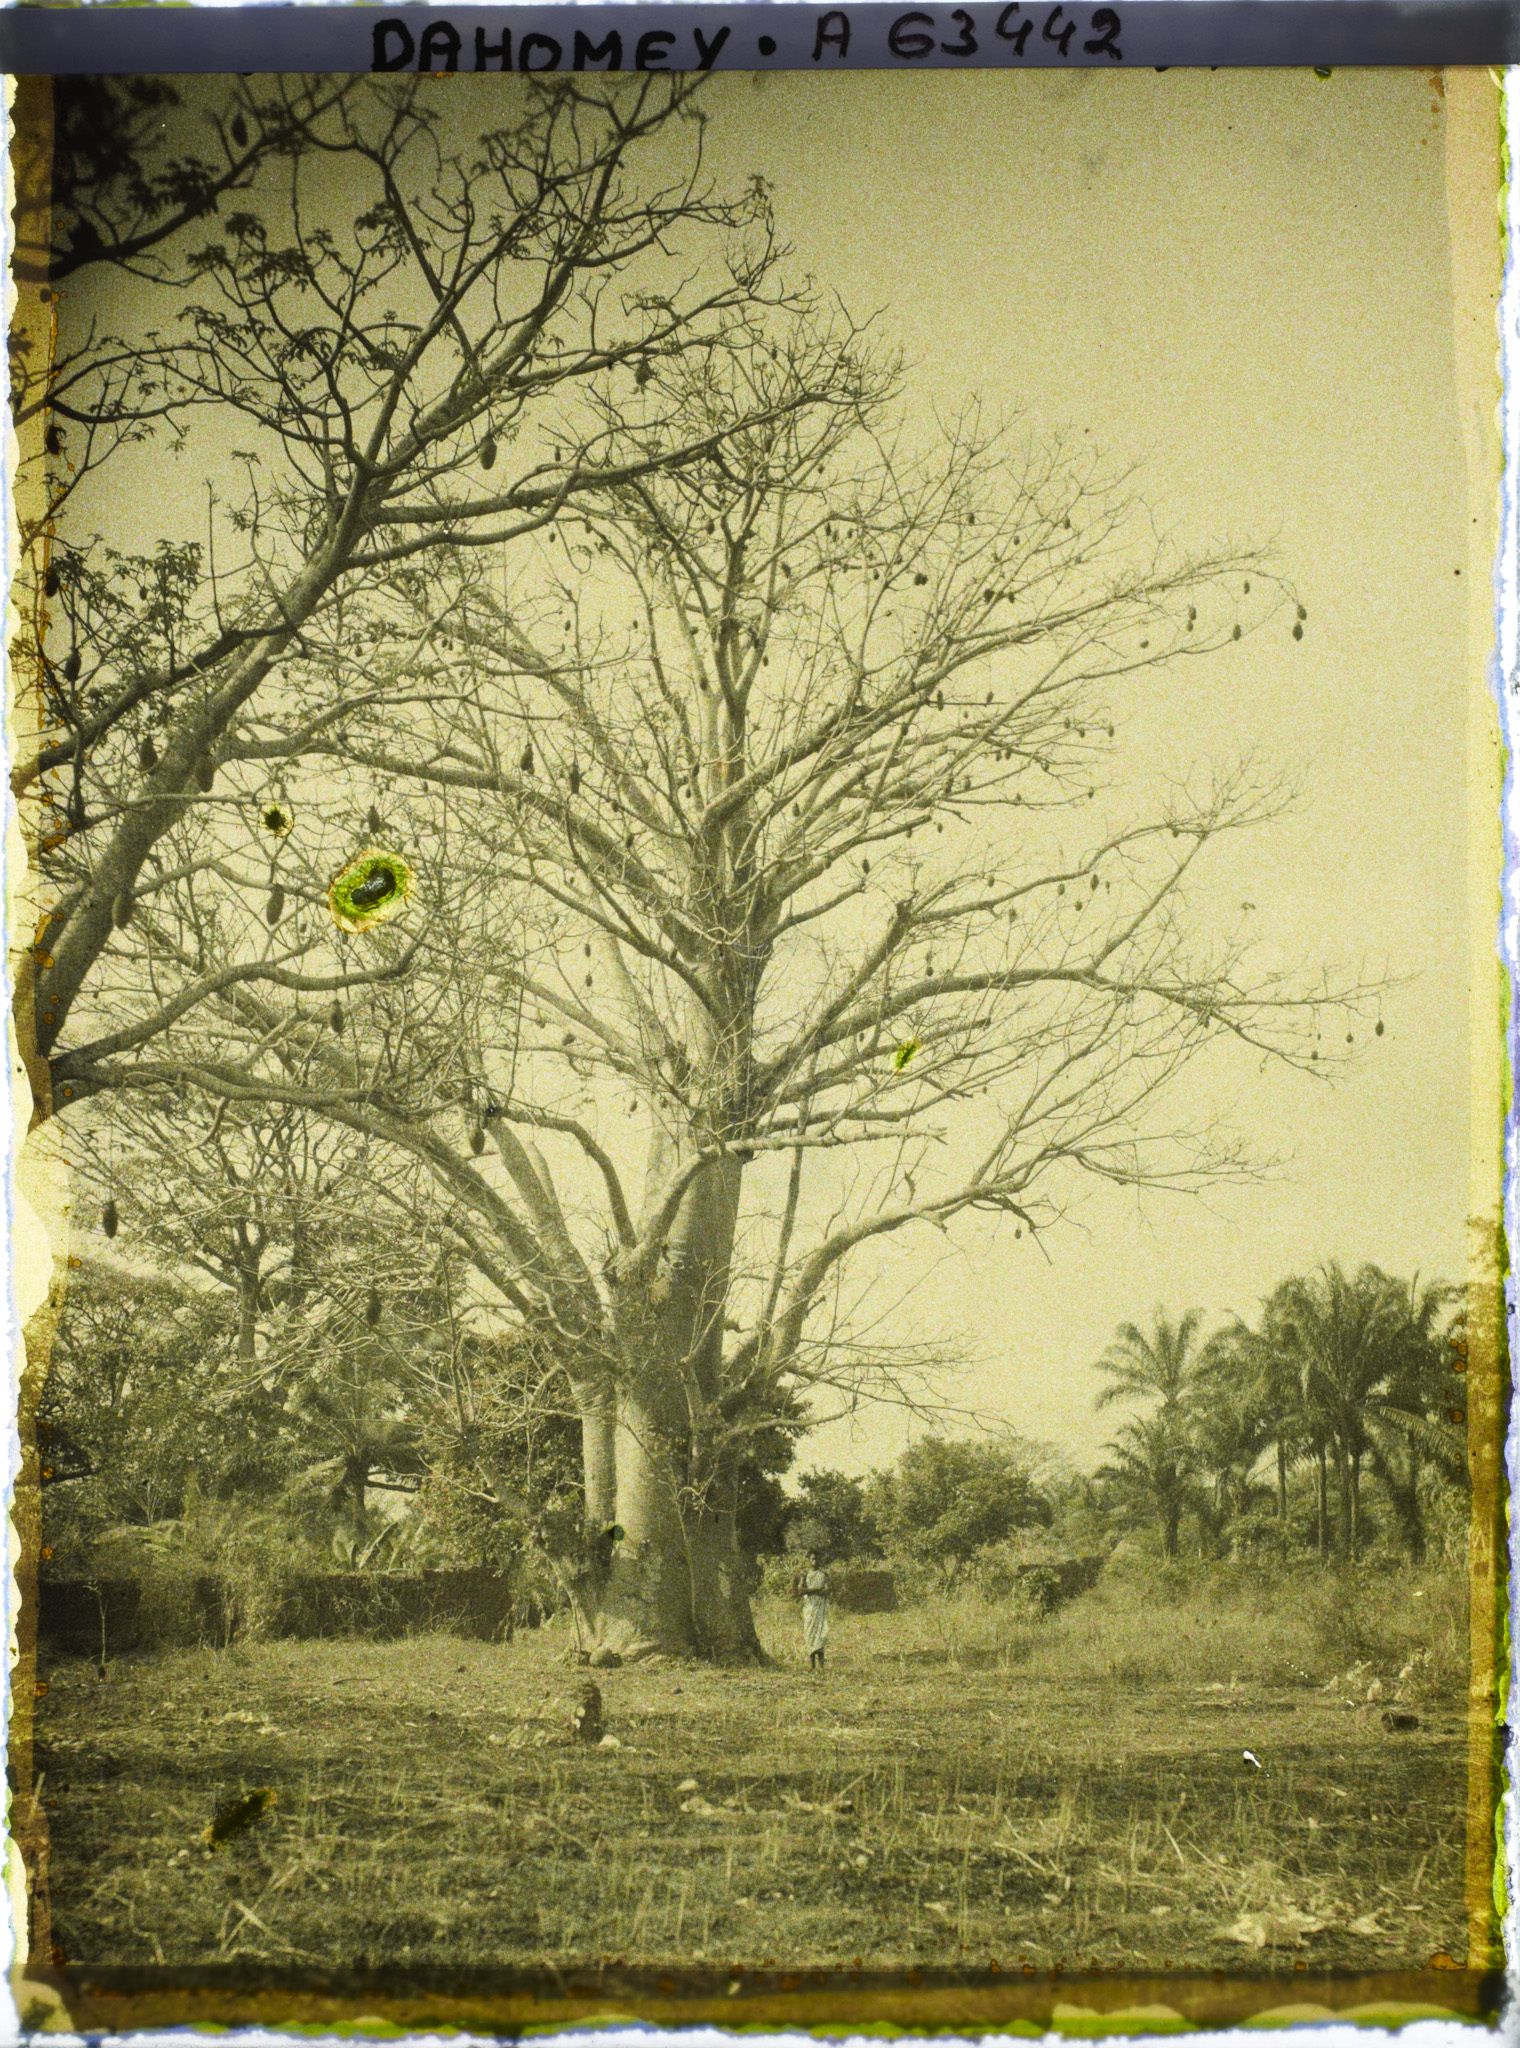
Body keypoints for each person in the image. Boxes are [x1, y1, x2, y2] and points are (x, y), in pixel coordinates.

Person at [792, 1549, 831, 1671]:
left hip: (820, 1608)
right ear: (809, 1560)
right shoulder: (805, 1575)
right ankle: (812, 1665)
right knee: (809, 1634)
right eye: (813, 1559)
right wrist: (817, 1590)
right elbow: (801, 1591)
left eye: (817, 1559)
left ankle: (821, 1665)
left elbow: (827, 1591)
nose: (815, 1561)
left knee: (820, 1635)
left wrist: (811, 1591)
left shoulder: (824, 1575)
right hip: (809, 1608)